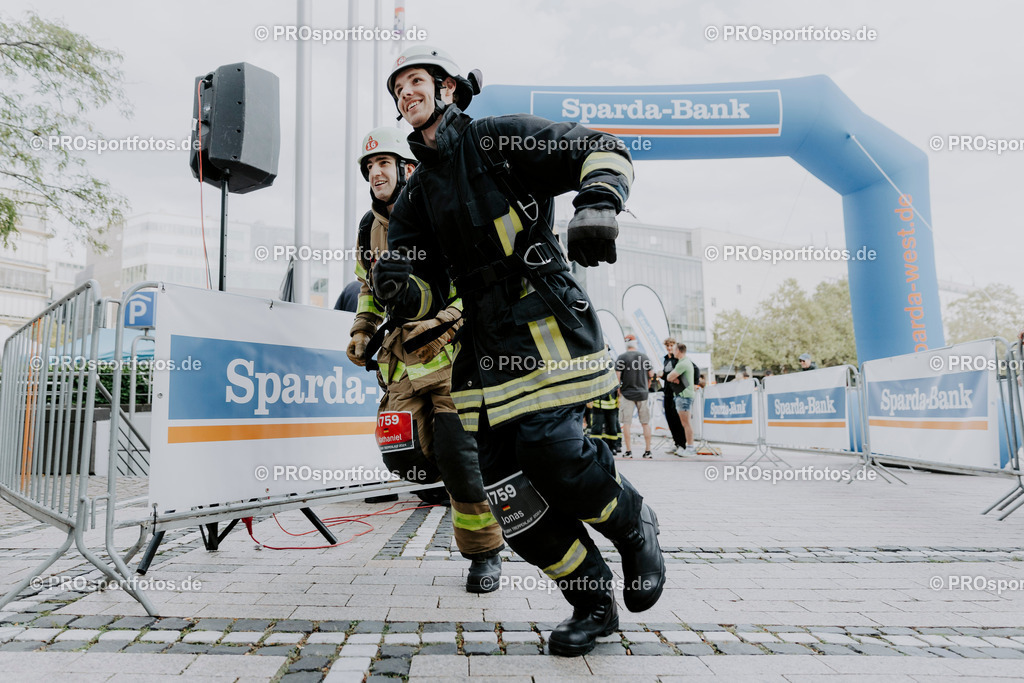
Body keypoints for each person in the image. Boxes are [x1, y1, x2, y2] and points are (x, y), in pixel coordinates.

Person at [372, 45, 665, 657]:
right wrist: (402, 288)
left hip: (544, 320)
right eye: (398, 87)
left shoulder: (500, 140)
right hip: (481, 345)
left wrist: (598, 205)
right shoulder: (415, 195)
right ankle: (592, 603)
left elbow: (602, 147)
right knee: (508, 495)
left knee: (551, 450)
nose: (407, 93)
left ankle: (634, 522)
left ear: (447, 88)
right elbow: (423, 282)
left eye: (416, 81)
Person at [346, 126, 504, 593]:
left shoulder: (440, 211)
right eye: (370, 166)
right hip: (401, 364)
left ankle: (484, 552)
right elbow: (369, 292)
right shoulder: (367, 230)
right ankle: (493, 476)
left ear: (408, 168)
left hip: (453, 359)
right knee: (404, 458)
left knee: (458, 456)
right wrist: (361, 330)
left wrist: (446, 322)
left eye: (384, 164)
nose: (377, 172)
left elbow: (471, 285)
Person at [615, 335, 654, 458]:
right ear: (636, 343)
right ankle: (648, 451)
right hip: (643, 393)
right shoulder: (644, 357)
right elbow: (651, 374)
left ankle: (628, 451)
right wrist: (646, 386)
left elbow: (617, 377)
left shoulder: (622, 358)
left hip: (627, 393)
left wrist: (619, 390)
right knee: (645, 423)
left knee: (627, 423)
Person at [666, 343, 696, 455]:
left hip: (684, 396)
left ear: (678, 350)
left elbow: (669, 377)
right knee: (685, 423)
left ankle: (690, 448)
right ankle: (689, 447)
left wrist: (673, 377)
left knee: (686, 423)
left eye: (674, 349)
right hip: (683, 396)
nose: (673, 352)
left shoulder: (683, 363)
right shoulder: (683, 362)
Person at [660, 338, 688, 451]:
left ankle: (682, 444)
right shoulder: (665, 359)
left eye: (671, 345)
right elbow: (667, 376)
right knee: (670, 420)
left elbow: (690, 370)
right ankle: (677, 443)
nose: (669, 348)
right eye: (667, 346)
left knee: (678, 420)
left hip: (677, 393)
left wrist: (694, 384)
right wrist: (661, 375)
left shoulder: (679, 359)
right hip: (667, 393)